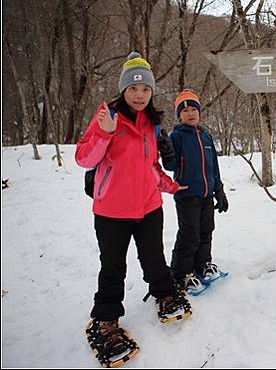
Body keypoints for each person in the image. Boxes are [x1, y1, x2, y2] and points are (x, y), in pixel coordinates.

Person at [75, 52, 192, 363]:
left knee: (154, 256)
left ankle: (165, 293)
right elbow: (84, 158)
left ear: (151, 92)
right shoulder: (107, 116)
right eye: (133, 89)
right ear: (123, 90)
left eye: (145, 90)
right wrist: (105, 133)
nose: (139, 95)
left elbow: (149, 164)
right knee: (113, 266)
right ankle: (106, 321)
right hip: (112, 210)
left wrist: (168, 185)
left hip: (149, 206)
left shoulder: (151, 122)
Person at [158, 89, 229, 294]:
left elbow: (213, 166)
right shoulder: (177, 136)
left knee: (206, 231)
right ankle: (182, 273)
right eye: (185, 110)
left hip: (206, 195)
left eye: (193, 109)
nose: (190, 113)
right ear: (179, 114)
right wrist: (166, 149)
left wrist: (220, 191)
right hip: (187, 195)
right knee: (189, 235)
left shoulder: (206, 136)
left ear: (199, 112)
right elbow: (171, 165)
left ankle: (203, 264)